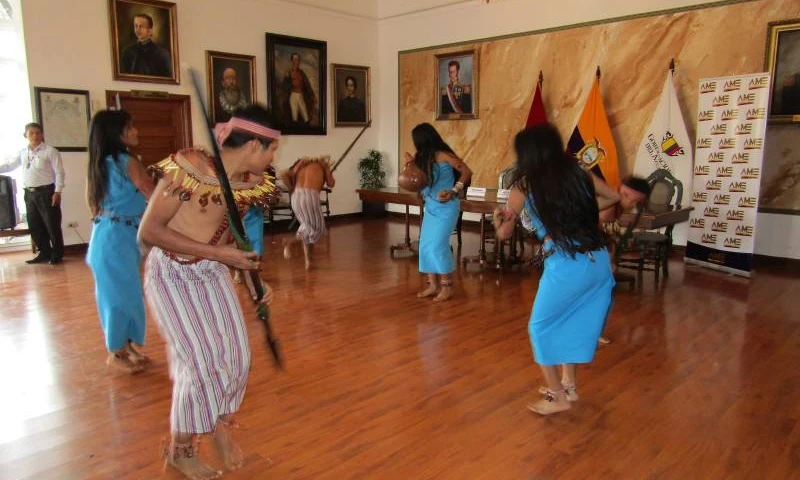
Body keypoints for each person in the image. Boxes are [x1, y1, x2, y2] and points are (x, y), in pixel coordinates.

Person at [138, 104, 278, 479]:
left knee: (238, 358)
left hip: (212, 272)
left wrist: (252, 279)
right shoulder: (190, 168)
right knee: (201, 364)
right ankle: (180, 451)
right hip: (171, 274)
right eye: (272, 148)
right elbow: (148, 232)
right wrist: (220, 254)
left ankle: (219, 423)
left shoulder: (248, 182)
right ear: (254, 145)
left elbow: (230, 236)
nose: (273, 157)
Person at [492, 124, 616, 416]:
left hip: (567, 263)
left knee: (540, 327)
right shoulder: (578, 173)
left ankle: (557, 396)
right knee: (572, 319)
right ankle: (568, 384)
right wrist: (583, 215)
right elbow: (613, 197)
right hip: (598, 259)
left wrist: (498, 221)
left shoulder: (524, 185)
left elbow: (505, 234)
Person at [85, 110, 155, 374]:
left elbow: (93, 203)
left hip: (111, 236)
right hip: (115, 239)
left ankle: (126, 346)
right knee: (118, 297)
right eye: (130, 127)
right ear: (117, 133)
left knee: (127, 293)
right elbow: (152, 195)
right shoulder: (127, 162)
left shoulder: (101, 164)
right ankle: (116, 352)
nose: (136, 131)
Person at [404, 123, 472, 302]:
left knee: (438, 245)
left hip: (447, 206)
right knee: (425, 245)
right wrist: (410, 164)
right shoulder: (420, 157)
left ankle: (447, 286)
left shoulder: (444, 155)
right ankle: (432, 285)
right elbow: (416, 180)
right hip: (431, 206)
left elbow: (466, 171)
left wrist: (454, 190)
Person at [0, 122, 65, 264]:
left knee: (52, 225)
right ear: (25, 135)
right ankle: (44, 252)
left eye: (38, 133)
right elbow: (10, 165)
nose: (35, 136)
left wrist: (58, 191)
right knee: (35, 225)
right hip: (29, 194)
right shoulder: (23, 152)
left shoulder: (50, 151)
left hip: (47, 192)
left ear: (42, 134)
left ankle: (57, 254)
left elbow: (59, 172)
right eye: (31, 133)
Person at [279, 156, 335, 270]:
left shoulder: (302, 167)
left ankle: (308, 262)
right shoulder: (322, 166)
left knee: (306, 228)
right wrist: (328, 169)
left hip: (295, 197)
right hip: (310, 196)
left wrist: (291, 187)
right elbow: (331, 183)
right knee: (318, 229)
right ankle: (290, 241)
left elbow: (282, 174)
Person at [120, 13, 172, 77]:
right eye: (136, 26)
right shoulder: (128, 52)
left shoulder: (162, 53)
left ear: (150, 30)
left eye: (141, 26)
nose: (138, 29)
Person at [281, 52, 316, 125]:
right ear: (292, 61)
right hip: (293, 96)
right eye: (295, 59)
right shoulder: (288, 73)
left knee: (306, 117)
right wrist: (292, 84)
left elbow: (307, 85)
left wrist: (312, 95)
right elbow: (284, 86)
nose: (296, 61)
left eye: (298, 59)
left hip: (301, 96)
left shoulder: (302, 73)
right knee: (294, 117)